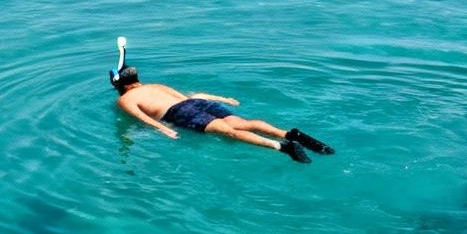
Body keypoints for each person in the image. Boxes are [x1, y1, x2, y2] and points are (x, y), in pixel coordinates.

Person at [111, 64, 334, 163]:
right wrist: (222, 99)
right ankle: (289, 134)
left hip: (179, 113)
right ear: (136, 79)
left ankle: (283, 147)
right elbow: (190, 96)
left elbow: (142, 118)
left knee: (229, 132)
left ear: (120, 85)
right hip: (198, 103)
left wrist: (163, 130)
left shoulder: (125, 99)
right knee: (243, 123)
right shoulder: (156, 85)